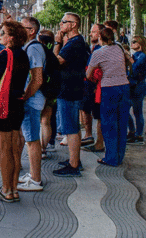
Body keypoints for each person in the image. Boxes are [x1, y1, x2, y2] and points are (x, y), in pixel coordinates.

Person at [0, 20, 30, 203]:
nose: (0, 35)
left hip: (2, 106)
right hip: (18, 104)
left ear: (11, 37)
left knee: (4, 150)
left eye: (2, 32)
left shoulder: (5, 54)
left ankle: (6, 189)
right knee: (14, 149)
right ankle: (13, 189)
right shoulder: (23, 54)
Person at [86, 27, 130, 166]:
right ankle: (119, 156)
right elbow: (130, 60)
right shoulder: (119, 48)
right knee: (122, 123)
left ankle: (111, 158)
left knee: (109, 124)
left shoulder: (98, 53)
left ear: (100, 37)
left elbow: (88, 74)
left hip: (109, 87)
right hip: (124, 85)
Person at [53, 13, 89, 177]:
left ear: (73, 24)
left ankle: (73, 165)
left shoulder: (74, 43)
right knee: (72, 127)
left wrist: (57, 43)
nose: (60, 24)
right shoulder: (76, 42)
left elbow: (55, 61)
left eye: (64, 22)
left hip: (69, 90)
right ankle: (75, 160)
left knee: (71, 128)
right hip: (72, 88)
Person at [16, 16, 45, 192]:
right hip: (33, 99)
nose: (19, 31)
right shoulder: (30, 47)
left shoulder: (33, 49)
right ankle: (33, 174)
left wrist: (24, 97)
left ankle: (36, 180)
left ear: (31, 31)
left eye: (22, 28)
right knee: (30, 138)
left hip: (32, 101)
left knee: (32, 140)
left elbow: (37, 79)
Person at [82, 23, 105, 153]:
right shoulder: (93, 48)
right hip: (91, 85)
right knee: (87, 110)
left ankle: (99, 143)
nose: (90, 34)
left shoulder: (100, 50)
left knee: (99, 115)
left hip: (96, 86)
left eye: (93, 32)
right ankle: (90, 136)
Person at [37, 30, 58, 159]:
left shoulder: (40, 53)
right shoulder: (53, 56)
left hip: (41, 90)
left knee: (41, 121)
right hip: (52, 91)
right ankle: (44, 148)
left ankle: (39, 148)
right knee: (47, 121)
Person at [127, 35, 146, 145]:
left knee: (137, 111)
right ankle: (132, 131)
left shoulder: (142, 56)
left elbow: (135, 69)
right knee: (126, 109)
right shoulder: (137, 55)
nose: (132, 44)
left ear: (140, 44)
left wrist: (130, 60)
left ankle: (139, 134)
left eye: (134, 42)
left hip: (138, 86)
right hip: (132, 85)